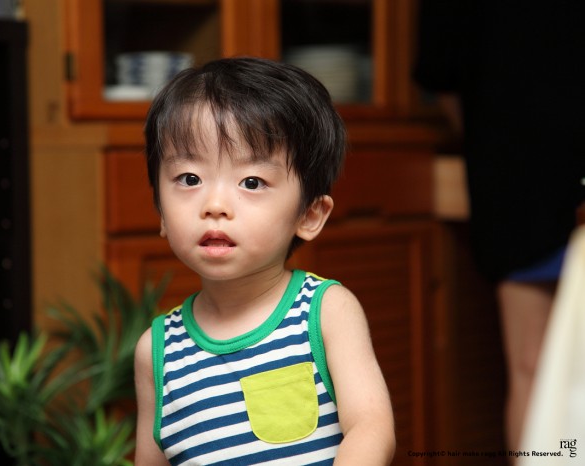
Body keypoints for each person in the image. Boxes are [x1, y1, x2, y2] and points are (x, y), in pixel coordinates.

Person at [133, 57, 396, 465]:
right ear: (161, 213)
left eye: (251, 182)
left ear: (309, 214)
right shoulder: (157, 351)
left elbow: (371, 426)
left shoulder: (325, 312)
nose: (214, 205)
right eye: (189, 179)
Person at [413, 0, 585, 455]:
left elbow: (440, 72)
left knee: (533, 366)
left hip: (513, 162)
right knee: (534, 365)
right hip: (518, 171)